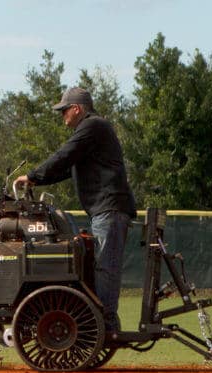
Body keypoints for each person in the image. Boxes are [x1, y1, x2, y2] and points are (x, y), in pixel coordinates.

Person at [13, 87, 136, 334]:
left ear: (77, 109)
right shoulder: (93, 132)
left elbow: (64, 155)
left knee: (105, 267)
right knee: (99, 267)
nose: (62, 116)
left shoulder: (93, 126)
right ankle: (100, 323)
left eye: (64, 111)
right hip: (105, 210)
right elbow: (65, 168)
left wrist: (33, 175)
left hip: (109, 210)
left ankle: (105, 326)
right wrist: (36, 180)